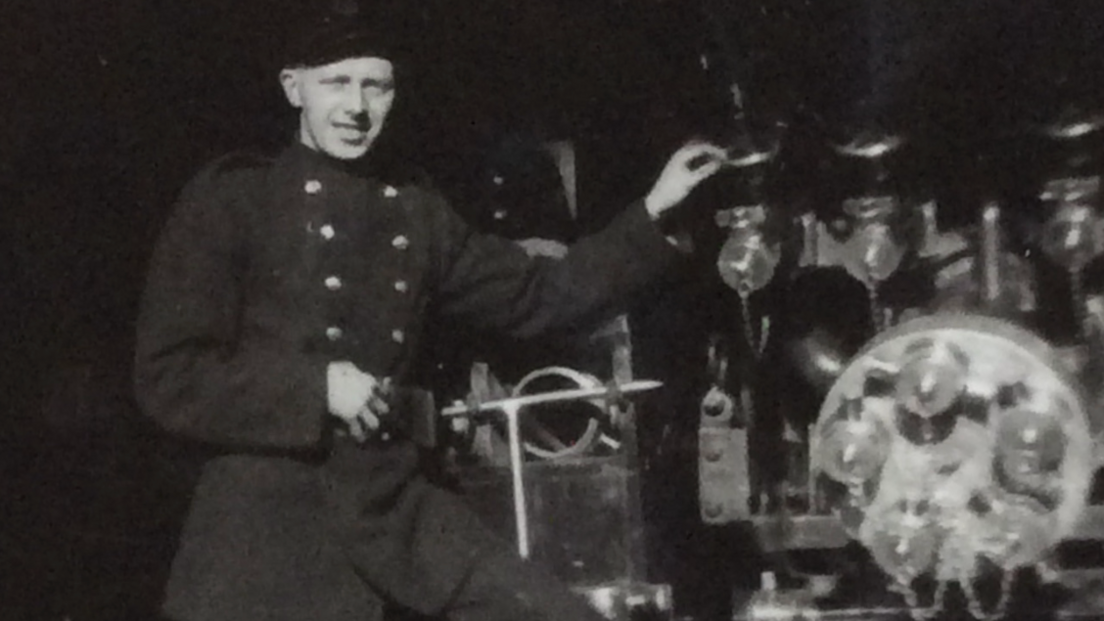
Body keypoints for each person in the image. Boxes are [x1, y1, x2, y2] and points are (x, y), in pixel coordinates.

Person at [133, 6, 726, 621]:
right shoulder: (235, 199)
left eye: (375, 85)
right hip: (265, 526)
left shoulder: (414, 210)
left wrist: (653, 210)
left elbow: (536, 296)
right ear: (294, 88)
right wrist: (317, 389)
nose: (356, 107)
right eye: (336, 83)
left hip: (393, 506)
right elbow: (168, 376)